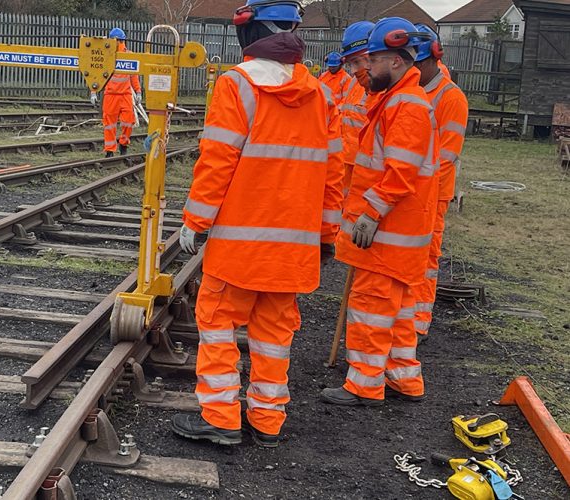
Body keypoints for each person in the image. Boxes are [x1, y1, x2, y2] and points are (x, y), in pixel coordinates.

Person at [170, 0, 343, 447]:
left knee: (218, 323)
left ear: (248, 34)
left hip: (240, 247)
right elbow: (334, 172)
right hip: (293, 250)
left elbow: (217, 160)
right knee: (274, 332)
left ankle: (222, 418)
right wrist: (327, 235)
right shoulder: (323, 94)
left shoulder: (237, 86)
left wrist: (196, 221)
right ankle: (267, 420)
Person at [320, 17, 439, 406]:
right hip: (402, 233)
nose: (366, 67)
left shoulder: (405, 105)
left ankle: (364, 385)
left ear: (398, 61)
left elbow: (399, 171)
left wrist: (370, 213)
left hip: (387, 233)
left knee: (370, 308)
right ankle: (404, 379)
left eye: (375, 60)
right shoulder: (399, 100)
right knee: (401, 311)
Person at [412, 24, 469, 341]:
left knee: (426, 258)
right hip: (413, 190)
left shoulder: (451, 98)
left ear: (429, 61)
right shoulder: (417, 92)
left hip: (434, 192)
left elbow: (446, 155)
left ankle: (419, 319)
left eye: (416, 65)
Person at [338, 21, 375, 197]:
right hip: (346, 162)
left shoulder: (386, 89)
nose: (354, 70)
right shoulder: (355, 82)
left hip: (368, 170)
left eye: (357, 62)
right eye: (351, 64)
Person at [99, 27, 141, 158]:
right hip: (110, 95)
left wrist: (138, 91)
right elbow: (97, 75)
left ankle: (123, 144)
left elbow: (134, 76)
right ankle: (110, 150)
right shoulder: (105, 55)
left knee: (128, 122)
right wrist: (93, 92)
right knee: (109, 125)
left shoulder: (129, 55)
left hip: (125, 95)